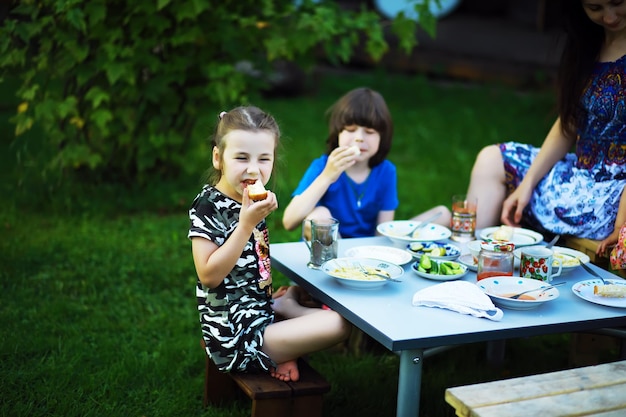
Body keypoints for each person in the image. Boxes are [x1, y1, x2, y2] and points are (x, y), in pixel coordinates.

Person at [441, 0, 626, 257]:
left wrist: (621, 226)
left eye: (617, 3)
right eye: (595, 8)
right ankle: (468, 259)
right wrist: (527, 183)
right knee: (492, 160)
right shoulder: (589, 43)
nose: (608, 17)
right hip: (580, 175)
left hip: (617, 191)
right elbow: (569, 122)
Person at [188, 106, 350, 382]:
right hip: (237, 338)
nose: (253, 169)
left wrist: (265, 296)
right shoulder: (208, 207)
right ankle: (283, 336)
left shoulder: (252, 199)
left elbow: (255, 265)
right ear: (218, 158)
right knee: (340, 323)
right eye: (241, 158)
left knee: (316, 294)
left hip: (259, 313)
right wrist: (246, 225)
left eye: (264, 159)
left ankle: (283, 310)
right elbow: (209, 276)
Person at [282, 87, 399, 238]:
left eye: (369, 132)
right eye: (351, 129)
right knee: (319, 215)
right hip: (327, 252)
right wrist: (327, 176)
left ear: (382, 137)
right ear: (338, 133)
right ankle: (338, 259)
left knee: (440, 213)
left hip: (364, 250)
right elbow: (289, 221)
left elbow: (383, 231)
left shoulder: (386, 172)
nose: (359, 138)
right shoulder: (323, 167)